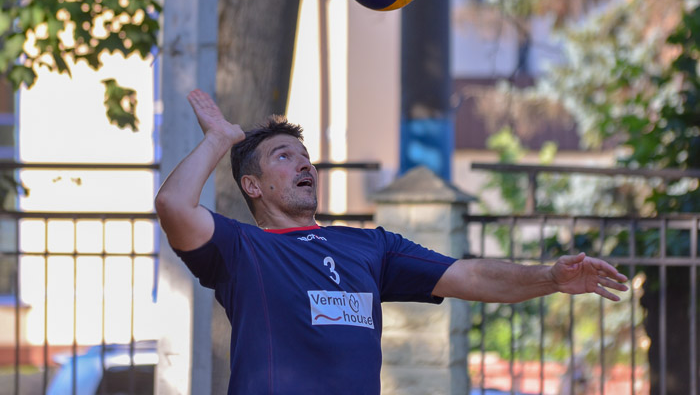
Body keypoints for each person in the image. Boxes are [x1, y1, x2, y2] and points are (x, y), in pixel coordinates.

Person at [155, 89, 629, 395]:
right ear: (253, 186)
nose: (305, 165)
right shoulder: (243, 251)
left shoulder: (370, 247)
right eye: (284, 156)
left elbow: (469, 274)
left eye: (306, 157)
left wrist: (549, 277)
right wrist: (220, 139)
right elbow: (175, 206)